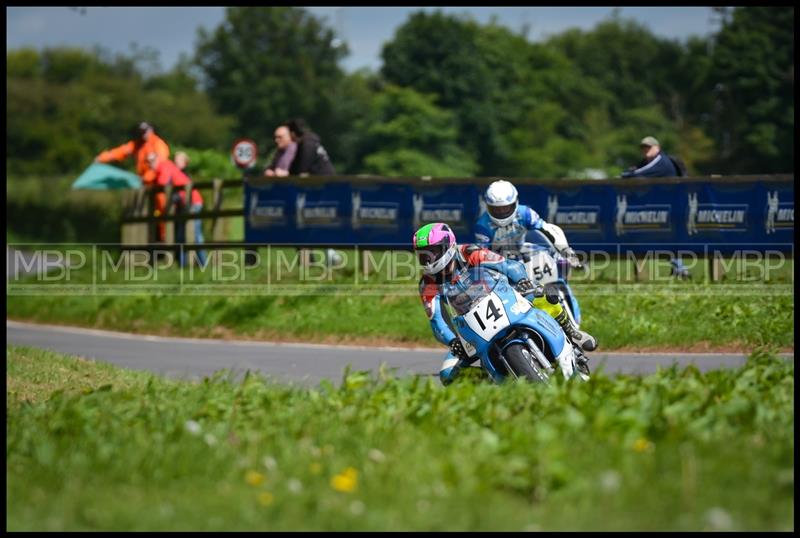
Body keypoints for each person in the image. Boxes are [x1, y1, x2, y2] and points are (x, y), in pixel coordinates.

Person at [413, 222, 597, 386]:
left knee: (545, 295)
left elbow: (508, 265)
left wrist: (523, 280)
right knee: (447, 374)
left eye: (433, 251)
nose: (428, 259)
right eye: (423, 255)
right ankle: (493, 383)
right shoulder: (427, 284)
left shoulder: (469, 253)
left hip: (503, 298)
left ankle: (571, 333)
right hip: (471, 327)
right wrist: (452, 341)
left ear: (447, 245)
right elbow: (437, 321)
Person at [475, 179, 582, 267]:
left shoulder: (525, 213)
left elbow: (548, 229)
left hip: (522, 250)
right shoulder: (482, 226)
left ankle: (559, 288)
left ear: (515, 203)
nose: (501, 212)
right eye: (497, 209)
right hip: (497, 259)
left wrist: (565, 250)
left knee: (559, 260)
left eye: (505, 208)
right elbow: (483, 255)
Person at [147, 152, 207, 267]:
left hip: (192, 203)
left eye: (153, 160)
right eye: (148, 162)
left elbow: (162, 183)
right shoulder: (165, 168)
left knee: (196, 235)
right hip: (186, 204)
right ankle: (183, 265)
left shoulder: (164, 166)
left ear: (158, 159)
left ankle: (203, 264)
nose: (150, 164)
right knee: (181, 236)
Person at [95, 121, 170, 185]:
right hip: (144, 182)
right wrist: (101, 158)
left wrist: (146, 178)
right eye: (141, 131)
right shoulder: (137, 144)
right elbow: (120, 151)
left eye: (145, 131)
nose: (143, 134)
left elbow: (160, 165)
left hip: (157, 183)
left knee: (160, 200)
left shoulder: (158, 144)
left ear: (151, 130)